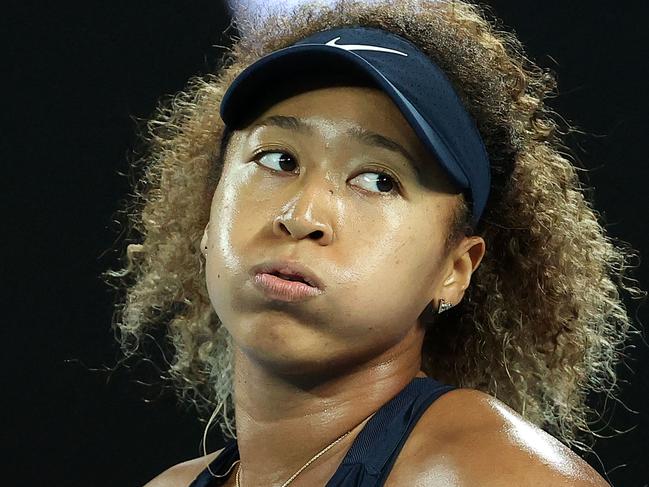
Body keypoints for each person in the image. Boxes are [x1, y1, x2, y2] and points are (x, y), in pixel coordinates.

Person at [102, 1, 643, 485]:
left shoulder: (491, 474)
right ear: (210, 210)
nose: (302, 216)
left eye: (378, 179)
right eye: (277, 160)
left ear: (454, 269)